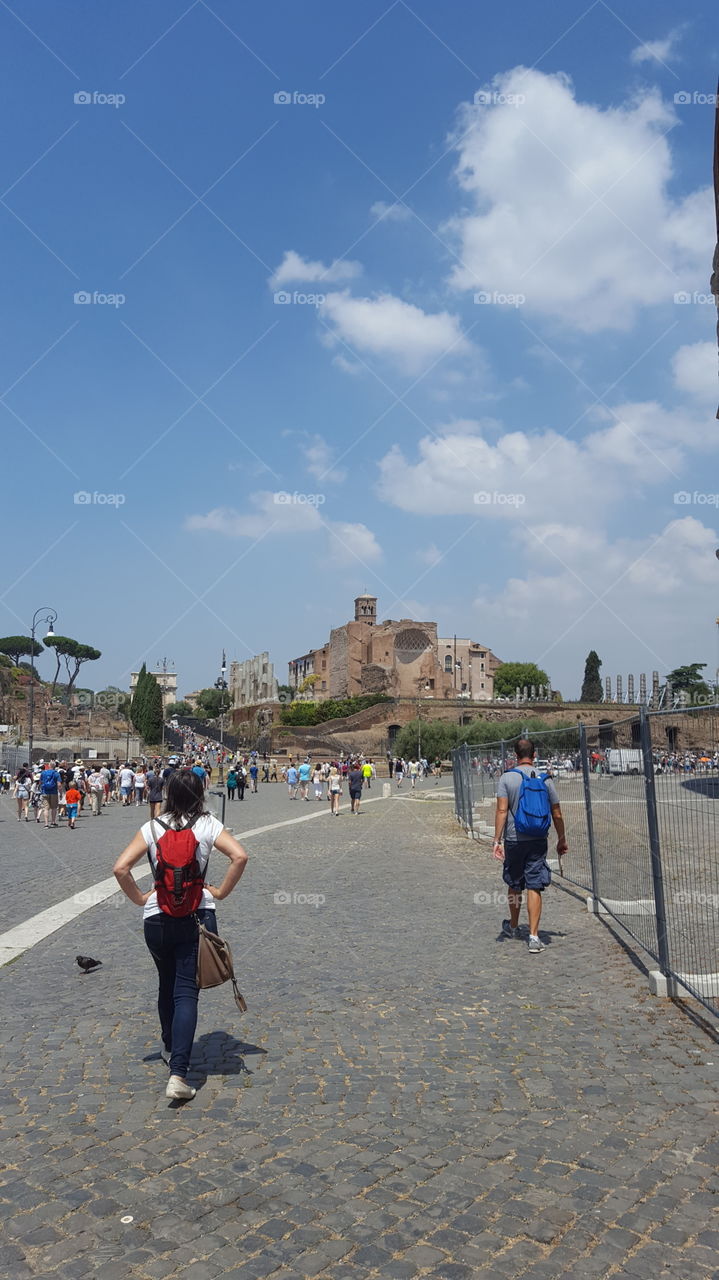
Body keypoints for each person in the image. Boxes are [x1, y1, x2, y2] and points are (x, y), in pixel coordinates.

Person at [113, 769, 249, 1101]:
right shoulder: (207, 824)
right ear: (200, 793)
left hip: (156, 919)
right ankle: (178, 1074)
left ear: (170, 794)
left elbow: (120, 868)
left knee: (166, 982)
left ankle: (169, 1045)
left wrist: (140, 898)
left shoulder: (151, 827)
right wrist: (221, 892)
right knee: (186, 992)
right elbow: (240, 855)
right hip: (195, 915)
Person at [492, 738, 568, 953]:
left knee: (515, 883)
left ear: (515, 755)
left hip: (515, 839)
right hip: (538, 839)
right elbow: (557, 813)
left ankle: (514, 927)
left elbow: (501, 811)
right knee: (534, 885)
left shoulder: (507, 778)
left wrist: (497, 841)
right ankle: (534, 937)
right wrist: (562, 838)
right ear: (534, 755)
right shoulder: (545, 780)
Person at [40, 761, 61, 827]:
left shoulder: (43, 773)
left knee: (46, 808)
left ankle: (46, 824)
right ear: (55, 766)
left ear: (49, 766)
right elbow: (59, 784)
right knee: (54, 808)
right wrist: (59, 791)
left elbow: (40, 782)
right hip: (54, 792)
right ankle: (53, 822)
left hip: (45, 791)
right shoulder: (56, 773)